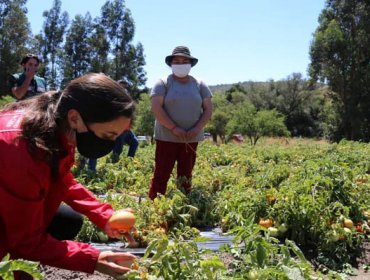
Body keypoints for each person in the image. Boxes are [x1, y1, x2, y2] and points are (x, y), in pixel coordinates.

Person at [0, 73, 138, 279]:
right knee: (22, 249)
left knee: (67, 220)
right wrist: (92, 258)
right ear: (75, 118)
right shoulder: (20, 150)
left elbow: (63, 182)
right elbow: (25, 241)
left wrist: (105, 216)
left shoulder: (58, 129)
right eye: (108, 135)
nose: (110, 144)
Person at [149, 46, 213, 200]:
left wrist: (197, 128)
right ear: (171, 63)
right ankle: (155, 205)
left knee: (186, 174)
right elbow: (156, 108)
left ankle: (183, 204)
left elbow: (208, 109)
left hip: (190, 138)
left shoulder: (199, 84)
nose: (181, 63)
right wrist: (173, 128)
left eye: (185, 61)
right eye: (177, 60)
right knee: (161, 173)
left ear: (191, 64)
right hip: (166, 137)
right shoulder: (162, 83)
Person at [78, 79, 139, 171]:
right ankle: (88, 168)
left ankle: (126, 164)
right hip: (108, 126)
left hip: (124, 128)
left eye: (126, 88)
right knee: (93, 144)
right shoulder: (111, 97)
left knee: (134, 142)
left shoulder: (126, 99)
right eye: (122, 87)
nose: (124, 90)